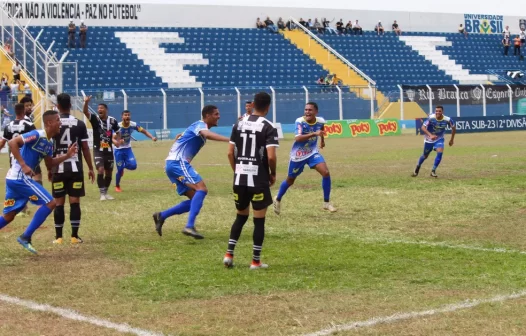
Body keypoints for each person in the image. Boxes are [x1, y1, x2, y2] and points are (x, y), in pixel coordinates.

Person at [0, 110, 77, 254]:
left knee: (9, 216)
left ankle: (25, 237)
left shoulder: (49, 143)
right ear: (49, 123)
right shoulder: (37, 134)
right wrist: (23, 165)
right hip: (19, 178)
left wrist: (67, 155)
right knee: (51, 202)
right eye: (58, 120)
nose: (60, 123)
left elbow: (50, 163)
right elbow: (12, 142)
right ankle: (25, 237)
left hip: (15, 179)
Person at [152, 105, 230, 239]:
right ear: (207, 116)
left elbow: (182, 138)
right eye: (216, 114)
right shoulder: (200, 125)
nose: (219, 116)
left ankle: (161, 216)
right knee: (202, 189)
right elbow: (205, 133)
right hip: (178, 163)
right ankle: (189, 226)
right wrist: (230, 140)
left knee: (195, 200)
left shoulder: (196, 127)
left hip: (172, 165)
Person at [223, 92, 279, 270]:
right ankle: (255, 261)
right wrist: (272, 173)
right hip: (258, 178)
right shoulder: (269, 126)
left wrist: (237, 170)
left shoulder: (238, 123)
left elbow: (230, 153)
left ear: (253, 104)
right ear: (268, 107)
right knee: (259, 220)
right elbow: (271, 157)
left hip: (239, 178)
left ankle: (229, 254)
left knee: (240, 216)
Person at [273, 102, 336, 215]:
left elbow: (321, 129)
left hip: (312, 153)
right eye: (306, 110)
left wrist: (322, 141)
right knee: (290, 180)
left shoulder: (320, 120)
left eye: (310, 110)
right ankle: (277, 198)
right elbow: (298, 138)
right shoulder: (300, 121)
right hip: (298, 155)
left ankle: (326, 203)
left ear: (316, 112)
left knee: (325, 172)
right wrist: (314, 134)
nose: (307, 112)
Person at [50, 93, 95, 245]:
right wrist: (90, 167)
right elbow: (85, 148)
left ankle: (58, 237)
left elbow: (49, 148)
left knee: (59, 203)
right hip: (75, 169)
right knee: (75, 202)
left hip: (58, 168)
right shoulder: (79, 124)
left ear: (57, 106)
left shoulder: (53, 124)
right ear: (70, 106)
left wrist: (50, 168)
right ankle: (75, 237)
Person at [0, 103, 36, 217]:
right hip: (26, 158)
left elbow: (2, 143)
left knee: (15, 179)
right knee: (25, 181)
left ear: (15, 112)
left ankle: (20, 207)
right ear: (23, 111)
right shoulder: (29, 125)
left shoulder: (8, 125)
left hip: (13, 157)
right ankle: (22, 206)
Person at [82, 96, 121, 200]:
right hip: (98, 150)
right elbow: (85, 112)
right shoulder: (95, 119)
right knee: (100, 169)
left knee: (109, 172)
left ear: (106, 110)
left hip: (108, 150)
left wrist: (117, 141)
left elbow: (118, 131)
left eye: (101, 108)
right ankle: (102, 194)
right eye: (98, 108)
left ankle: (106, 192)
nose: (99, 110)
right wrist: (86, 103)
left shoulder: (112, 121)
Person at [113, 110, 157, 192]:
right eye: (125, 115)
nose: (127, 117)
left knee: (133, 166)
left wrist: (152, 137)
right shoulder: (118, 126)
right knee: (119, 170)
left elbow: (144, 131)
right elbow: (113, 138)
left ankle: (122, 167)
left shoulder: (133, 125)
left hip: (127, 148)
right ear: (122, 117)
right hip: (118, 150)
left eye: (128, 115)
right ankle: (117, 186)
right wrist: (119, 141)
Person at [411, 105, 456, 178]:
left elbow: (453, 128)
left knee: (440, 152)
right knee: (425, 155)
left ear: (442, 112)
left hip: (439, 138)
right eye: (436, 111)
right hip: (429, 139)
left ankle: (433, 171)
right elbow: (423, 127)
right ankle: (418, 166)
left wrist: (452, 140)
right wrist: (430, 135)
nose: (438, 112)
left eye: (439, 111)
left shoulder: (447, 119)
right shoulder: (431, 118)